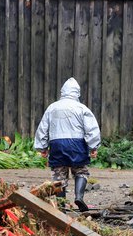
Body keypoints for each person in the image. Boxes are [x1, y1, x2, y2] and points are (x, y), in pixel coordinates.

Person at [34, 77, 101, 211]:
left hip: (57, 144)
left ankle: (61, 205)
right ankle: (79, 197)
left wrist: (42, 147)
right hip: (77, 144)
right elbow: (91, 128)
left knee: (59, 175)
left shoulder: (52, 108)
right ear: (77, 93)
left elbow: (43, 128)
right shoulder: (82, 108)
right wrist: (93, 146)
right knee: (81, 171)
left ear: (62, 92)